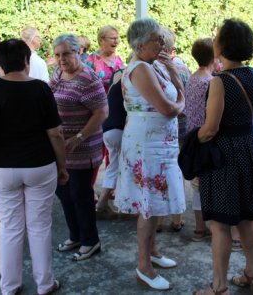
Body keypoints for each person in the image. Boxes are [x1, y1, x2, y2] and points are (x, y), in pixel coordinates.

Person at [0, 39, 69, 295]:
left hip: (2, 168)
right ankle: (45, 283)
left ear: (0, 62)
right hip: (40, 165)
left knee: (10, 227)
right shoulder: (41, 89)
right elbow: (55, 133)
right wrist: (62, 166)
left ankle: (10, 286)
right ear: (26, 60)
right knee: (39, 225)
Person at [194, 19, 253, 295]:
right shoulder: (252, 74)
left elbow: (211, 128)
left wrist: (193, 141)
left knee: (221, 224)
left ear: (223, 45)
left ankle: (219, 287)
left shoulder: (220, 82)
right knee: (249, 217)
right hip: (250, 147)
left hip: (226, 154)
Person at [115, 18, 186, 291]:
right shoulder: (141, 68)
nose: (162, 43)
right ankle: (144, 266)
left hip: (158, 143)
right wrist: (180, 104)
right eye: (157, 39)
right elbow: (168, 108)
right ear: (140, 44)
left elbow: (176, 95)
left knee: (154, 201)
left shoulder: (154, 64)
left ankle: (153, 252)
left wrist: (173, 73)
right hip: (147, 144)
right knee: (147, 203)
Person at [50, 34, 108, 261]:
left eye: (66, 53)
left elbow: (102, 112)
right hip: (61, 147)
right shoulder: (58, 73)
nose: (61, 59)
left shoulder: (88, 78)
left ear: (78, 52)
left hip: (83, 147)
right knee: (64, 192)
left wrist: (78, 137)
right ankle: (75, 236)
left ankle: (91, 241)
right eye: (57, 55)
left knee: (80, 194)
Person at [155, 27, 190, 233]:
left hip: (159, 125)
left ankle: (159, 220)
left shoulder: (149, 68)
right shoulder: (182, 68)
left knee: (159, 171)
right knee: (175, 169)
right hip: (180, 124)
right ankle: (177, 217)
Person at [184, 38, 215, 242]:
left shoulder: (192, 78)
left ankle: (199, 228)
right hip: (207, 135)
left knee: (197, 183)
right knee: (209, 182)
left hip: (191, 136)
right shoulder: (211, 82)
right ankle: (212, 226)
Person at [94, 66, 126, 217]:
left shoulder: (118, 73)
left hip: (107, 127)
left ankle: (103, 205)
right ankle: (104, 205)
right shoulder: (134, 75)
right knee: (119, 167)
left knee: (113, 167)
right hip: (119, 128)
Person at [85, 25, 124, 93]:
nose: (116, 42)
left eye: (117, 38)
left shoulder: (118, 60)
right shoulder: (91, 60)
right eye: (113, 38)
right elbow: (85, 85)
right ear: (101, 40)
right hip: (98, 99)